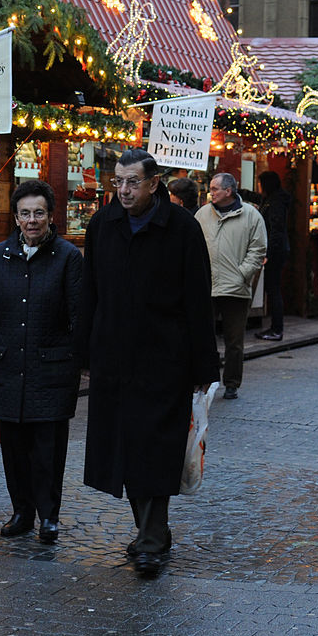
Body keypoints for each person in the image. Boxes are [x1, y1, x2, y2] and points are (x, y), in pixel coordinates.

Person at [79, 148, 220, 576]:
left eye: (132, 182)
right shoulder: (102, 224)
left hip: (165, 359)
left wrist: (203, 367)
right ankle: (151, 530)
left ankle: (151, 540)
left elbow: (198, 298)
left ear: (154, 183)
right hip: (114, 358)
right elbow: (90, 292)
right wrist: (84, 352)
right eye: (117, 182)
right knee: (124, 446)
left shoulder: (181, 228)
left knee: (155, 447)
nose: (122, 190)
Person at [0, 180, 82, 545]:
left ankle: (49, 516)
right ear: (16, 217)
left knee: (48, 449)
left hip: (52, 370)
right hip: (9, 368)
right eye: (25, 213)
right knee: (13, 449)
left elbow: (79, 314)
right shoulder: (0, 256)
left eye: (39, 213)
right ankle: (22, 511)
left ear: (50, 216)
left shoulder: (68, 257)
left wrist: (81, 359)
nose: (32, 220)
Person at [195, 172, 267, 400]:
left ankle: (232, 383)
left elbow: (258, 250)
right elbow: (193, 244)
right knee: (203, 337)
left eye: (215, 188)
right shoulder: (202, 214)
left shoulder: (251, 216)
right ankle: (204, 380)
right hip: (207, 286)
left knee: (234, 341)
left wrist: (242, 274)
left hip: (236, 289)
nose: (211, 192)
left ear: (229, 191)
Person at [255, 171, 291, 341]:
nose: (259, 186)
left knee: (273, 289)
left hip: (275, 252)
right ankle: (275, 328)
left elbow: (276, 230)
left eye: (260, 183)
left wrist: (269, 254)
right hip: (277, 250)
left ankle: (277, 329)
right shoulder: (273, 199)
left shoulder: (275, 202)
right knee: (273, 289)